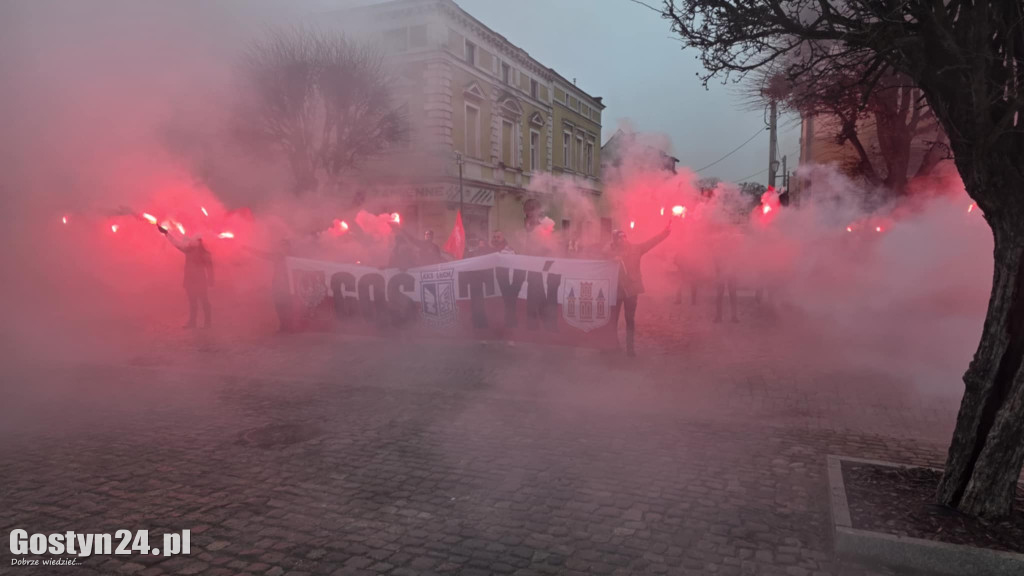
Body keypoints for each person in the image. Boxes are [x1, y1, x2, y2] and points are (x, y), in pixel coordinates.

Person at [606, 219, 672, 356]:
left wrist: (665, 233)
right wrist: (612, 257)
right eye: (619, 238)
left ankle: (630, 349)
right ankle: (612, 345)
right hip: (616, 291)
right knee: (613, 319)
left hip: (631, 290)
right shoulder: (611, 252)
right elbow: (601, 256)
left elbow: (652, 242)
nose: (623, 239)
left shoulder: (636, 249)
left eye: (624, 237)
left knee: (630, 320)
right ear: (615, 241)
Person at [162, 229, 214, 329]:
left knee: (204, 301)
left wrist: (211, 280)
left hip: (200, 281)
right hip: (190, 280)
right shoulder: (188, 250)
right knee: (192, 302)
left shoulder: (204, 253)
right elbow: (176, 243)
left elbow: (210, 267)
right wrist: (166, 233)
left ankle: (207, 323)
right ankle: (192, 322)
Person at [246, 239, 294, 332]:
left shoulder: (292, 258)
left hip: (288, 286)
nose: (283, 248)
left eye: (285, 246)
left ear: (289, 247)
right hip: (278, 284)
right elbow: (263, 255)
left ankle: (287, 326)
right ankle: (283, 326)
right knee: (279, 306)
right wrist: (249, 250)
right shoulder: (279, 256)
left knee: (287, 306)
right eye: (282, 246)